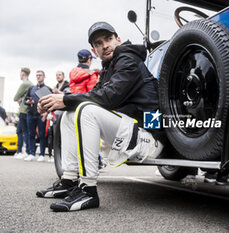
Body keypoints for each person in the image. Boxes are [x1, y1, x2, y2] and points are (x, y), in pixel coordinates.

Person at [36, 22, 163, 212]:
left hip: (151, 138)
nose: (105, 45)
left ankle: (88, 189)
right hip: (133, 133)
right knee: (70, 113)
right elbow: (94, 95)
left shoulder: (128, 59)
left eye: (109, 39)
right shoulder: (107, 68)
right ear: (94, 51)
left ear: (118, 39)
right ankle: (69, 181)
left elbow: (110, 96)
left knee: (86, 110)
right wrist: (53, 103)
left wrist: (65, 98)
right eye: (98, 43)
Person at [24, 70, 52, 162]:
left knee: (42, 135)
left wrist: (47, 113)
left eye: (40, 75)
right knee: (31, 134)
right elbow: (25, 101)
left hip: (41, 115)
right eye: (37, 75)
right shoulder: (31, 88)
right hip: (30, 114)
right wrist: (28, 102)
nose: (38, 77)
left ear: (44, 76)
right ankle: (31, 154)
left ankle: (41, 154)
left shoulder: (48, 89)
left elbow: (51, 103)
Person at [13, 67, 34, 159]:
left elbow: (15, 97)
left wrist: (20, 98)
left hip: (23, 110)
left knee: (23, 131)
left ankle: (24, 151)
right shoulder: (31, 84)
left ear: (23, 74)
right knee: (20, 131)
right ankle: (19, 151)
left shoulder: (24, 84)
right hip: (27, 109)